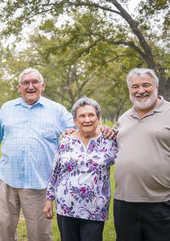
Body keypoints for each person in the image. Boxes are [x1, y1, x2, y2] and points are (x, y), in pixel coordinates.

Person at [0, 68, 78, 241]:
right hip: (8, 181)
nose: (30, 86)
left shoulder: (57, 111)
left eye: (35, 82)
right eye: (26, 83)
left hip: (39, 184)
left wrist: (99, 128)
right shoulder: (7, 108)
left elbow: (81, 127)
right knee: (5, 229)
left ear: (42, 86)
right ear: (19, 87)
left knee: (39, 234)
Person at [112, 68, 170, 241]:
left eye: (146, 85)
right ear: (130, 90)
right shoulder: (124, 118)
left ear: (155, 86)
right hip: (125, 204)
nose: (140, 90)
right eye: (135, 86)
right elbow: (104, 139)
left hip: (165, 203)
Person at [43, 97, 118, 241]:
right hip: (66, 206)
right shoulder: (66, 140)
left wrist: (110, 129)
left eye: (91, 115)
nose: (87, 119)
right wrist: (48, 200)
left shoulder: (109, 141)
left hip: (95, 207)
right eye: (82, 116)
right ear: (75, 121)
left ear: (98, 118)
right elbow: (55, 171)